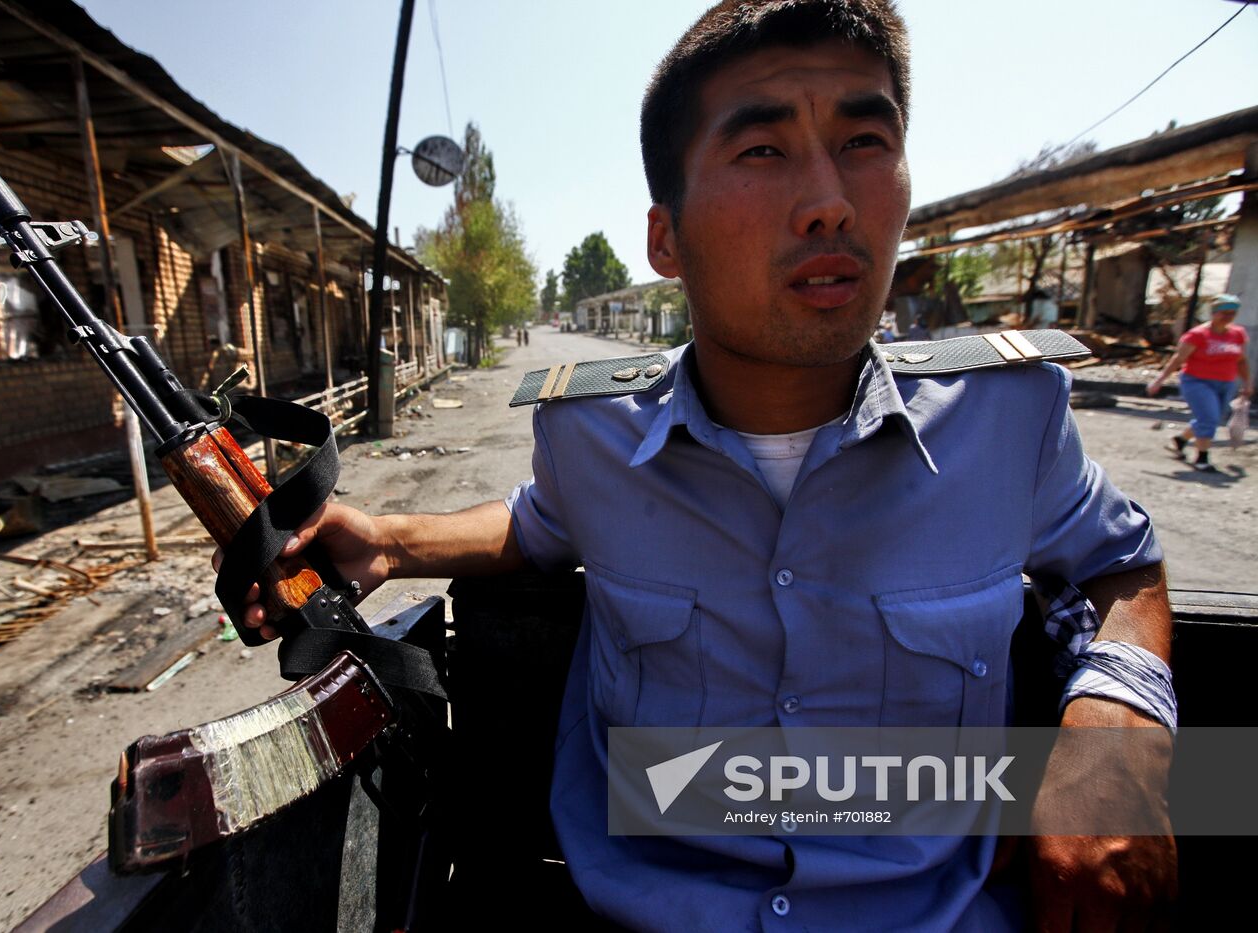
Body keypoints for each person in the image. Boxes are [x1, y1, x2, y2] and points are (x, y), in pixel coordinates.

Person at [220, 2, 1176, 928]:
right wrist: (385, 539)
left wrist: (1117, 731)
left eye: (864, 143)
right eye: (762, 150)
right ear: (664, 238)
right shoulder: (589, 434)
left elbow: (1120, 563)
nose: (831, 203)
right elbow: (542, 522)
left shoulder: (1010, 418)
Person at [1147, 293, 1252, 472]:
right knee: (1208, 418)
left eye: (1232, 313)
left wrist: (1247, 382)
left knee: (1211, 418)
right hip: (1197, 382)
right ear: (1214, 313)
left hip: (1226, 383)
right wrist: (1159, 380)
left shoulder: (1237, 334)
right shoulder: (1198, 335)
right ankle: (1202, 458)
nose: (1228, 317)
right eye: (1224, 313)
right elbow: (1178, 359)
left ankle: (1180, 440)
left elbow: (1241, 360)